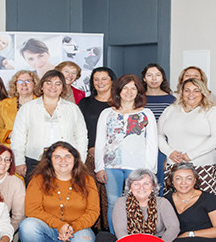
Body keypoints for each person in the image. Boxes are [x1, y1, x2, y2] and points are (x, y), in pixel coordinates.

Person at [90, 168, 182, 242]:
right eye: (136, 184)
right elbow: (120, 229)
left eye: (146, 183)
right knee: (102, 237)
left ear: (153, 185)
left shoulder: (162, 202)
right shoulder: (121, 202)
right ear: (130, 186)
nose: (141, 188)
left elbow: (174, 227)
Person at [19, 141, 99, 242]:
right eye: (57, 157)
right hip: (47, 228)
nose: (63, 160)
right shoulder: (38, 179)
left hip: (76, 229)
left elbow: (93, 211)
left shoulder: (87, 180)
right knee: (27, 226)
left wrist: (72, 227)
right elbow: (32, 210)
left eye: (67, 156)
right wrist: (60, 225)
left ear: (75, 159)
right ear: (50, 160)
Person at [94, 74, 159, 229]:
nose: (129, 92)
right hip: (111, 166)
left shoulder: (146, 114)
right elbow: (100, 141)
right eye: (125, 88)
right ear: (118, 90)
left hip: (138, 166)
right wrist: (99, 167)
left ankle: (136, 237)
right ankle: (114, 239)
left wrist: (150, 169)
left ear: (138, 92)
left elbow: (152, 143)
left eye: (133, 88)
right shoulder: (107, 113)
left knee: (137, 201)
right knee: (113, 202)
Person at [10, 70, 88, 178]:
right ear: (41, 86)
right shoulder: (27, 108)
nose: (53, 87)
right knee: (36, 194)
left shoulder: (73, 109)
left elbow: (81, 137)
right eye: (48, 83)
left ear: (63, 88)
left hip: (65, 163)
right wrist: (19, 161)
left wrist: (80, 161)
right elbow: (18, 136)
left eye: (58, 83)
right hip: (34, 161)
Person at [158, 78, 216, 196]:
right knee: (174, 204)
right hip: (174, 165)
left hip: (203, 165)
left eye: (196, 90)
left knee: (205, 205)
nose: (191, 94)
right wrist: (169, 152)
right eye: (187, 90)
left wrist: (191, 155)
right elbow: (158, 134)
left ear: (203, 93)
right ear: (181, 92)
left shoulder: (212, 111)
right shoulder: (171, 110)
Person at [78, 66, 116, 229]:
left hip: (113, 156)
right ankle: (92, 226)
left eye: (104, 78)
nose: (100, 82)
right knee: (90, 191)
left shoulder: (119, 103)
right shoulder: (85, 102)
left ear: (112, 81)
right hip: (89, 155)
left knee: (110, 194)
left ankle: (109, 227)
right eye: (96, 79)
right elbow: (79, 129)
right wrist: (90, 148)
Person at [142, 63, 176, 193]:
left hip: (163, 147)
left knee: (160, 183)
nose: (153, 78)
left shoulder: (171, 100)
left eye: (157, 75)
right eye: (149, 75)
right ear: (144, 79)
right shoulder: (138, 98)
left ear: (163, 78)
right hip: (142, 146)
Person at [0, 70, 38, 147]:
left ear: (34, 84)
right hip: (10, 149)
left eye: (28, 81)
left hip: (35, 149)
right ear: (15, 85)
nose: (24, 84)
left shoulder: (43, 104)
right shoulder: (3, 105)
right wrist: (9, 134)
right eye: (20, 81)